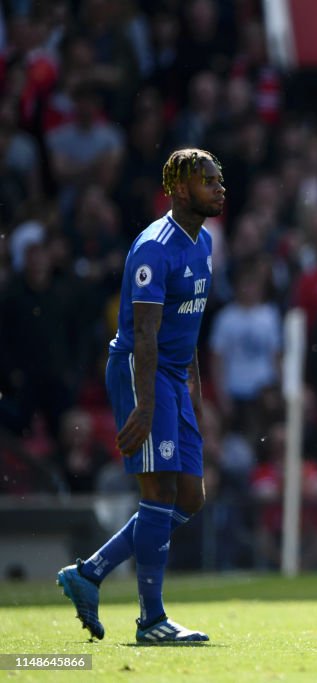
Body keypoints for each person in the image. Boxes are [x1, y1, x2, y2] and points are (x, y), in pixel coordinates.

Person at [56, 148, 225, 644]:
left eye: (220, 179)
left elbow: (187, 326)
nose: (219, 188)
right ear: (178, 189)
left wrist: (194, 395)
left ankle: (90, 572)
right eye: (208, 181)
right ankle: (152, 620)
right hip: (140, 372)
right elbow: (146, 334)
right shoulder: (155, 247)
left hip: (174, 376)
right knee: (158, 494)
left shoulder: (205, 242)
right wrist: (147, 404)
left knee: (190, 497)